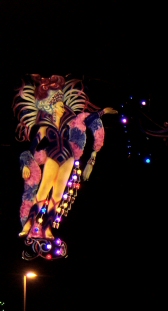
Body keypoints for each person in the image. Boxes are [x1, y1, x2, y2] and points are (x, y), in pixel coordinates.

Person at [14, 74, 117, 240]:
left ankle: (47, 229)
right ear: (51, 106)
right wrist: (25, 164)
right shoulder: (44, 127)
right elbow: (32, 147)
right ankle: (29, 225)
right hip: (52, 156)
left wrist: (102, 112)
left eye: (63, 104)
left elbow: (88, 119)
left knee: (57, 196)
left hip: (68, 157)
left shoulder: (70, 122)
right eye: (60, 104)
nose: (63, 108)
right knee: (43, 192)